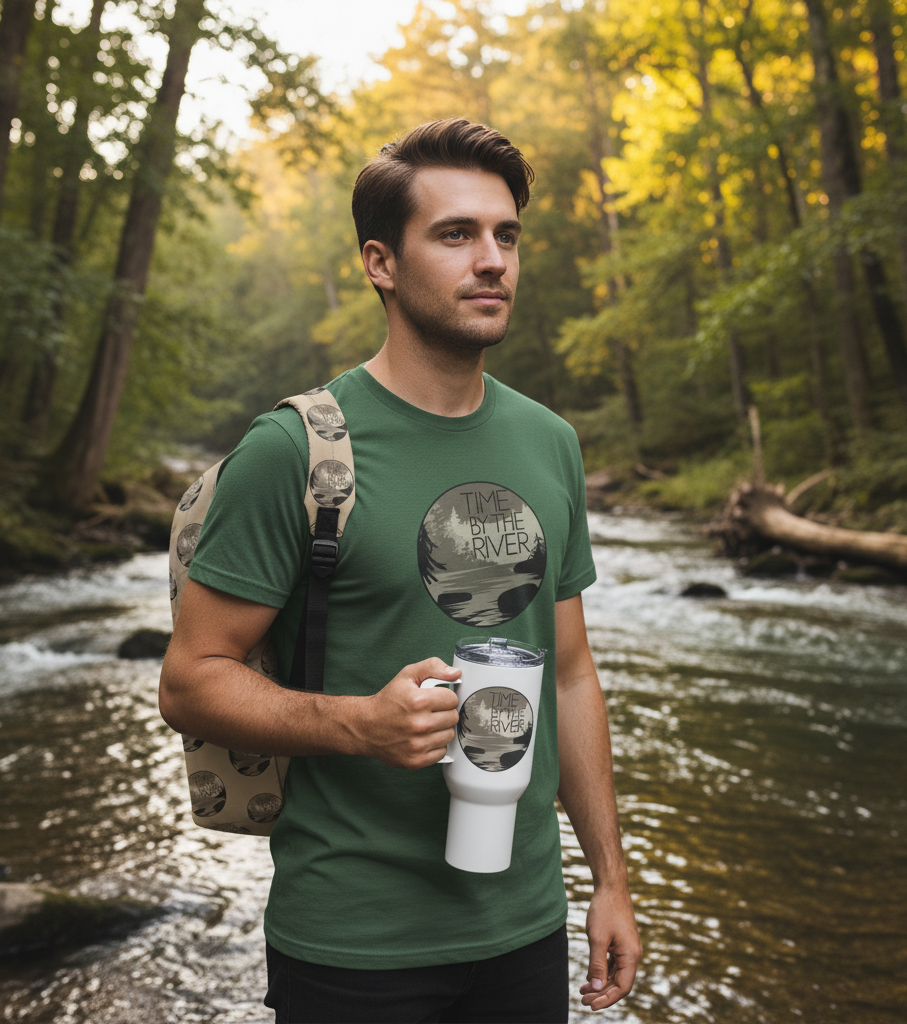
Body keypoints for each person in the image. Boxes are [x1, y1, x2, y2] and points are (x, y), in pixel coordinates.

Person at [159, 118, 641, 1023]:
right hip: (353, 935)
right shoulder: (294, 449)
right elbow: (190, 682)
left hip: (525, 925)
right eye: (455, 234)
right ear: (381, 263)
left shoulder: (551, 443)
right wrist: (360, 724)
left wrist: (608, 879)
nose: (492, 259)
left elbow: (570, 672)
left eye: (505, 235)